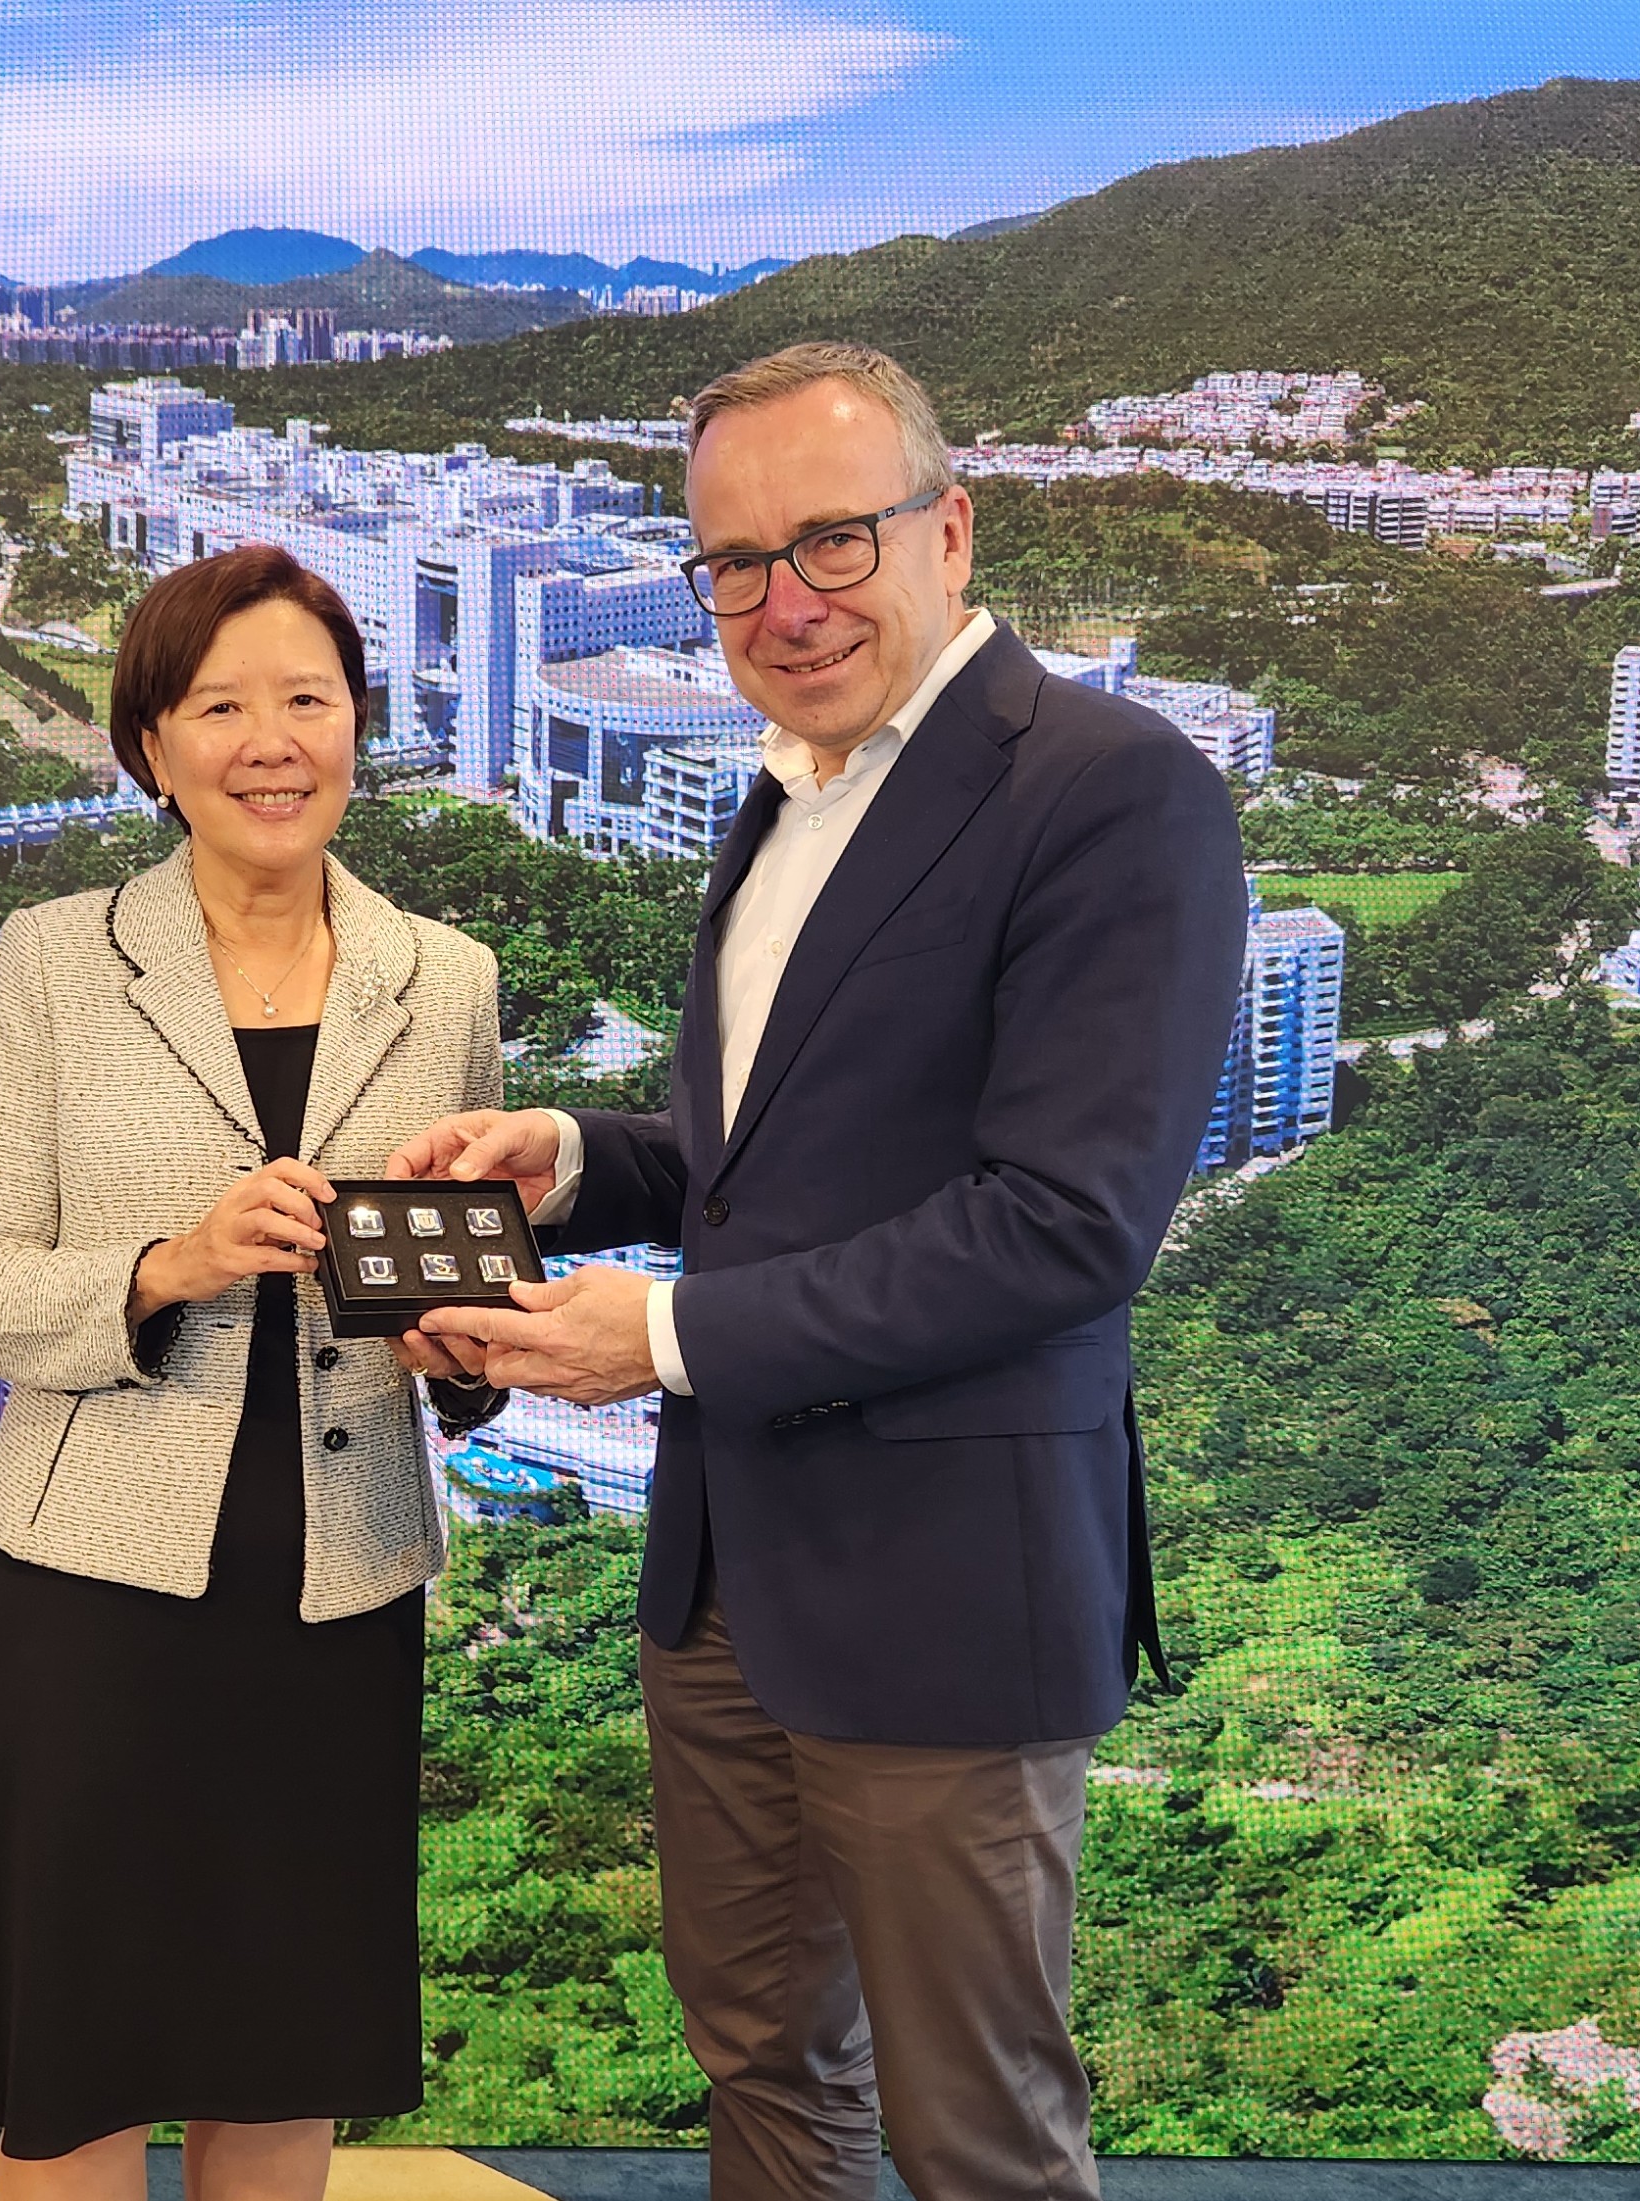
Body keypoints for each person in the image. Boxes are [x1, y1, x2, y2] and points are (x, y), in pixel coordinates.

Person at [392, 342, 1248, 2200]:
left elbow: (1066, 1220)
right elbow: (776, 1157)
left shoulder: (1111, 790)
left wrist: (669, 1336)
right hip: (726, 1580)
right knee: (767, 2071)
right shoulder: (784, 800)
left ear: (951, 530)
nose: (786, 602)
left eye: (834, 541)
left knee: (977, 2130)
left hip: (942, 1595)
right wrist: (579, 1158)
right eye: (736, 562)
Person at [0, 541, 507, 2201]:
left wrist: (471, 1360)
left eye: (306, 698)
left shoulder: (444, 977)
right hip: (96, 1592)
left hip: (339, 1592)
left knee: (282, 2057)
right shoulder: (52, 958)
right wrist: (170, 1265)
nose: (271, 740)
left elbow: (454, 1285)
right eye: (220, 703)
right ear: (151, 747)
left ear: (360, 724)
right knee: (78, 2080)